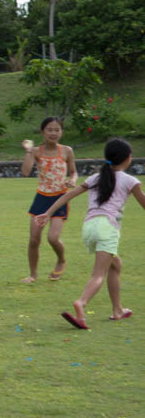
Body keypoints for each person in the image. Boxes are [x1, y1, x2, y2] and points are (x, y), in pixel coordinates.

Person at [35, 138, 144, 330]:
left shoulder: (95, 177)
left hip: (89, 227)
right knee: (98, 274)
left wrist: (48, 212)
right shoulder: (130, 180)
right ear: (127, 158)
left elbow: (68, 194)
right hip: (107, 229)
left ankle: (118, 310)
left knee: (116, 265)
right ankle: (82, 302)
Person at [20, 117, 77, 284]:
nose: (53, 133)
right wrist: (29, 151)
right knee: (34, 239)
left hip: (60, 198)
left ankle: (61, 260)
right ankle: (33, 275)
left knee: (53, 238)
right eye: (49, 130)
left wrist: (72, 180)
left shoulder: (67, 151)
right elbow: (25, 172)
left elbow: (73, 172)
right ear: (42, 132)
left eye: (57, 129)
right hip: (41, 198)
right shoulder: (36, 151)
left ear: (61, 132)